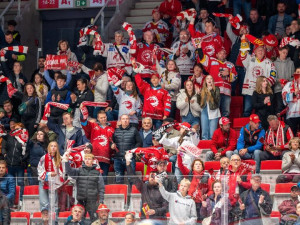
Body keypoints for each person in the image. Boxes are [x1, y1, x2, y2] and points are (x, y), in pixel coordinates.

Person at [240, 34, 276, 117]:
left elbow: (273, 77)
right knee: (247, 111)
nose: (260, 51)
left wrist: (264, 87)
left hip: (262, 92)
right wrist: (243, 41)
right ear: (255, 52)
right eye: (258, 50)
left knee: (262, 111)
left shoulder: (269, 62)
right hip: (249, 90)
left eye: (262, 50)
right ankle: (247, 129)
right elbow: (243, 55)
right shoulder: (250, 59)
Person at [125, 151, 168, 219]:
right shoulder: (144, 187)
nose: (152, 178)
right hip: (146, 218)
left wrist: (155, 211)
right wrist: (128, 163)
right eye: (151, 176)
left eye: (154, 177)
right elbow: (133, 177)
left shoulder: (162, 189)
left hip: (158, 218)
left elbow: (166, 208)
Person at [198, 43, 237, 117]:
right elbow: (202, 59)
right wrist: (199, 48)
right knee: (214, 111)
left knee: (226, 112)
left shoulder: (231, 65)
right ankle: (215, 128)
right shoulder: (212, 61)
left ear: (226, 55)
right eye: (220, 53)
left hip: (226, 93)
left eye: (224, 53)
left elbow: (235, 77)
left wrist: (228, 74)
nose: (222, 55)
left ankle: (224, 127)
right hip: (214, 91)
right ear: (216, 55)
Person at [64, 153, 105, 222]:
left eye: (89, 159)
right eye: (85, 159)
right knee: (79, 220)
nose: (87, 160)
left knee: (95, 221)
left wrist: (101, 201)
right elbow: (69, 171)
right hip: (81, 200)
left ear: (93, 161)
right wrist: (66, 161)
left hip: (93, 201)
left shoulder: (97, 173)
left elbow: (101, 188)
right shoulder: (79, 170)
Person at [81, 111, 114, 183]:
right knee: (94, 178)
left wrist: (112, 147)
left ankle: (103, 194)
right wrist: (83, 111)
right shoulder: (93, 126)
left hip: (106, 157)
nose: (103, 119)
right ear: (98, 118)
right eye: (101, 118)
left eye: (104, 117)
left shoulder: (111, 129)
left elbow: (112, 142)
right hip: (94, 157)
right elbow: (84, 123)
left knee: (104, 178)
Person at [177, 156, 211, 220]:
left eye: (199, 164)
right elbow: (180, 165)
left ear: (202, 167)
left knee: (201, 221)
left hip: (202, 203)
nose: (198, 165)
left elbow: (211, 190)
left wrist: (206, 195)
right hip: (190, 202)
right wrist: (179, 154)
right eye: (196, 164)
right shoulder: (189, 173)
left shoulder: (207, 176)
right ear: (193, 167)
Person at [111, 114, 142, 184]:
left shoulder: (134, 130)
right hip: (117, 158)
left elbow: (139, 142)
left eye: (127, 119)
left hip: (129, 159)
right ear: (120, 120)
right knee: (118, 180)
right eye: (123, 119)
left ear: (129, 120)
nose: (125, 120)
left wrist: (132, 151)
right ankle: (119, 194)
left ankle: (132, 194)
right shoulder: (116, 130)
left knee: (131, 179)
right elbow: (111, 142)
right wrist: (111, 145)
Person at [1, 123, 27, 204]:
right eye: (15, 129)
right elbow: (4, 147)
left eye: (19, 128)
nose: (17, 130)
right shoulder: (10, 136)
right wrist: (5, 155)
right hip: (9, 164)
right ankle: (11, 201)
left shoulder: (25, 138)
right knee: (10, 184)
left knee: (20, 182)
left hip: (19, 164)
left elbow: (27, 151)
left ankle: (20, 200)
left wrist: (22, 159)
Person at [37, 141, 64, 212]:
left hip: (54, 183)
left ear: (57, 148)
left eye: (55, 146)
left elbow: (63, 170)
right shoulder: (43, 158)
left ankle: (54, 221)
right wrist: (48, 174)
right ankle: (45, 221)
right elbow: (39, 169)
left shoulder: (60, 158)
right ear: (48, 148)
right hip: (43, 182)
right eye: (51, 146)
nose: (53, 147)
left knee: (53, 204)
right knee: (44, 203)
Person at [226, 20, 249, 96]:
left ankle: (241, 107)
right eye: (240, 30)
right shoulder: (235, 39)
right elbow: (228, 31)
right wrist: (230, 20)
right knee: (231, 88)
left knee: (243, 91)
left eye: (244, 29)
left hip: (245, 70)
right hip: (234, 68)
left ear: (247, 31)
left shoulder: (251, 42)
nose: (241, 31)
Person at [198, 75, 221, 140]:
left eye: (211, 78)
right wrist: (198, 95)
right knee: (204, 133)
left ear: (213, 81)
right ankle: (205, 146)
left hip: (214, 112)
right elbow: (200, 103)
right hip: (204, 112)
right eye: (207, 78)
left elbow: (217, 102)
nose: (209, 80)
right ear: (205, 81)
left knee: (212, 134)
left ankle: (212, 147)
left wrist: (211, 91)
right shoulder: (202, 90)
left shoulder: (216, 89)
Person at [274, 46, 294, 114]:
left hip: (288, 90)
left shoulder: (291, 63)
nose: (285, 54)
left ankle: (286, 123)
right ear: (279, 52)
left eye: (286, 53)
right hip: (278, 89)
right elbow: (273, 77)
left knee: (287, 107)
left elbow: (293, 77)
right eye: (283, 52)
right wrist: (279, 81)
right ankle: (280, 123)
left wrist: (287, 82)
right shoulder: (274, 63)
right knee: (280, 106)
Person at [282, 70, 300, 135]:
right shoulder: (288, 84)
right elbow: (284, 97)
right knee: (292, 136)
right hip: (291, 114)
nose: (299, 74)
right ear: (294, 73)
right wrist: (294, 94)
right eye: (297, 72)